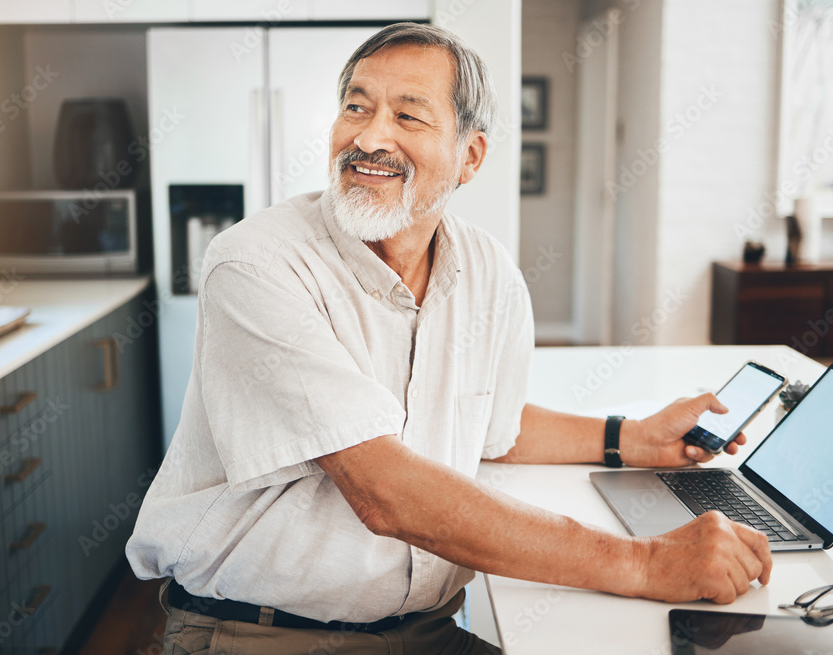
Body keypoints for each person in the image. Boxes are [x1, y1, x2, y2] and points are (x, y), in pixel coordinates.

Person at [126, 22, 772, 655]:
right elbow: (386, 491)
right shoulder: (256, 264)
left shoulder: (487, 271)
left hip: (425, 629)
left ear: (471, 156)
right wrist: (644, 563)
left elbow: (491, 421)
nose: (369, 136)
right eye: (356, 107)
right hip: (263, 631)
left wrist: (629, 437)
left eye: (408, 117)